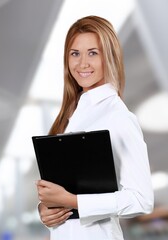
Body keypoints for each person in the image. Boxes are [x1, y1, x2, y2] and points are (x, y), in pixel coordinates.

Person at [35, 15, 154, 240]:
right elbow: (67, 190)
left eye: (93, 53)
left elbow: (141, 199)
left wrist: (71, 201)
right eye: (75, 53)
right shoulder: (70, 116)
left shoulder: (118, 116)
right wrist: (45, 210)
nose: (82, 64)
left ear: (109, 56)